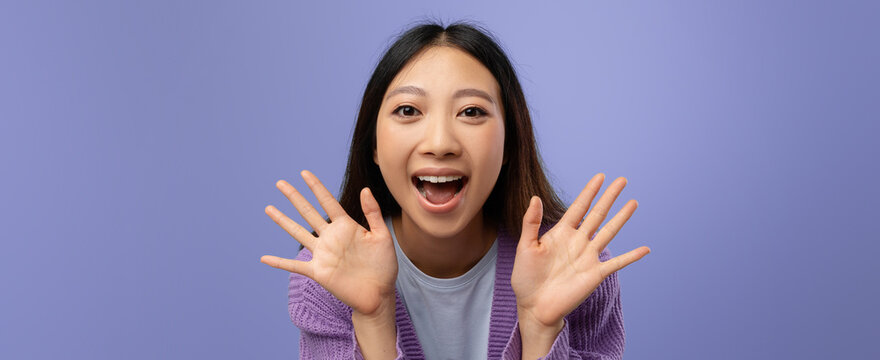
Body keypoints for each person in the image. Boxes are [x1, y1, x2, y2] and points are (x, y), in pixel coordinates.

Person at [260, 21, 651, 360]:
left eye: (472, 112)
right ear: (373, 146)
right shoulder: (330, 272)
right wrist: (374, 315)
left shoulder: (572, 264)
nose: (440, 141)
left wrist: (540, 326)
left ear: (510, 145)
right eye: (408, 110)